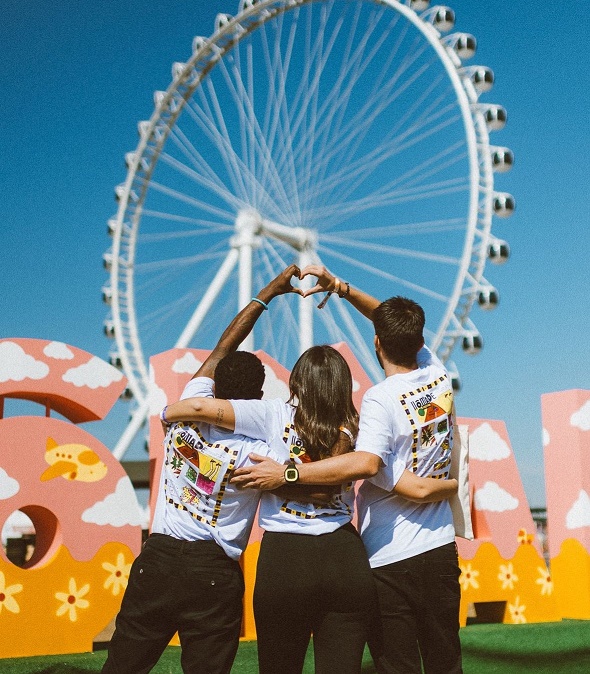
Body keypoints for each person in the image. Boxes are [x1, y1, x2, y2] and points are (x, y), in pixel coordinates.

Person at [163, 303, 457, 674]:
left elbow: (201, 409)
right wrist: (452, 484)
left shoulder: (273, 414)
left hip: (285, 561)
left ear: (296, 383)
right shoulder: (358, 426)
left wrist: (168, 414)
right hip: (346, 558)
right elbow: (369, 467)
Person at [231, 265, 463, 674]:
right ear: (419, 341)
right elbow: (392, 323)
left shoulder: (379, 400)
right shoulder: (438, 375)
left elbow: (368, 463)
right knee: (446, 662)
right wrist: (341, 287)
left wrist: (285, 473)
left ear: (377, 341)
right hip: (431, 548)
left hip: (387, 555)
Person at [101, 266, 303, 674]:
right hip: (214, 570)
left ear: (214, 387)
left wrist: (267, 292)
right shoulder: (260, 453)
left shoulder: (184, 417)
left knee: (122, 666)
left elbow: (223, 348)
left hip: (158, 559)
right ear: (258, 397)